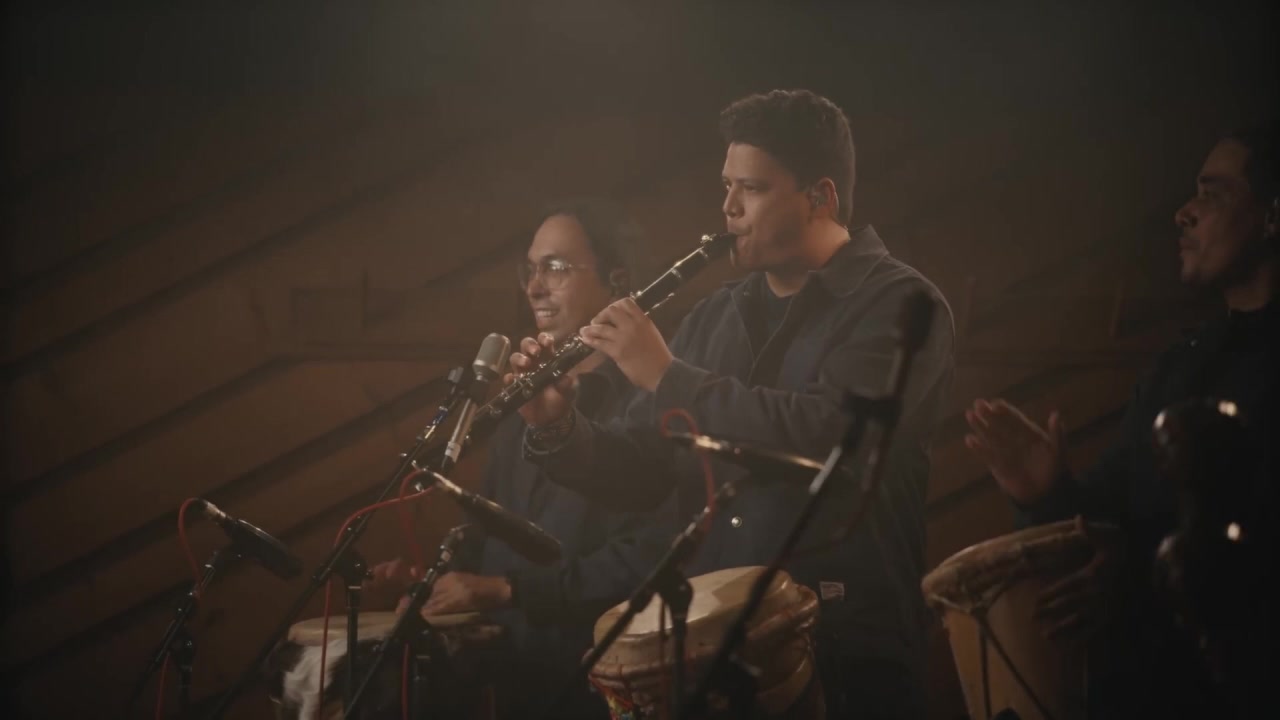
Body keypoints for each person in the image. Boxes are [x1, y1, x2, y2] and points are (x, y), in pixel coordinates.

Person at [511, 89, 956, 720]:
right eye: (726, 186)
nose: (728, 208)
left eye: (751, 188)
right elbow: (645, 472)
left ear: (821, 196)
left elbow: (831, 437)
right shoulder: (714, 315)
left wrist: (668, 377)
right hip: (712, 660)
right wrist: (560, 428)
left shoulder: (903, 306)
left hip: (846, 654)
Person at [962, 126, 1279, 718]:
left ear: (1271, 217)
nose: (1184, 212)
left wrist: (1144, 580)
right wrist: (1048, 492)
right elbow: (1111, 525)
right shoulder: (1175, 368)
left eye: (1213, 194)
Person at [368, 198, 675, 720]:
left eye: (555, 267)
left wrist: (506, 590)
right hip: (515, 681)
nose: (534, 287)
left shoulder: (648, 400)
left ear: (617, 280)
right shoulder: (523, 402)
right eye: (529, 269)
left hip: (602, 685)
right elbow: (489, 527)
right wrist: (432, 586)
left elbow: (648, 558)